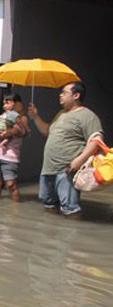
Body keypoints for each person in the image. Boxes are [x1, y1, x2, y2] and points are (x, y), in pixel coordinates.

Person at [28, 82, 104, 217]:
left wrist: (79, 160)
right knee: (49, 205)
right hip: (48, 168)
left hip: (66, 169)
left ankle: (71, 235)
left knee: (70, 209)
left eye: (64, 92)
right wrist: (35, 117)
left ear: (76, 95)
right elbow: (47, 131)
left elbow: (96, 140)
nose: (60, 95)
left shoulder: (87, 115)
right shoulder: (61, 113)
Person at [0, 93, 30, 202]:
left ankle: (15, 210)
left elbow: (19, 131)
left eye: (8, 103)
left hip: (10, 156)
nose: (5, 106)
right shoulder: (2, 117)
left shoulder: (21, 118)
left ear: (18, 104)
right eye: (4, 103)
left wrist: (7, 133)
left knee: (11, 184)